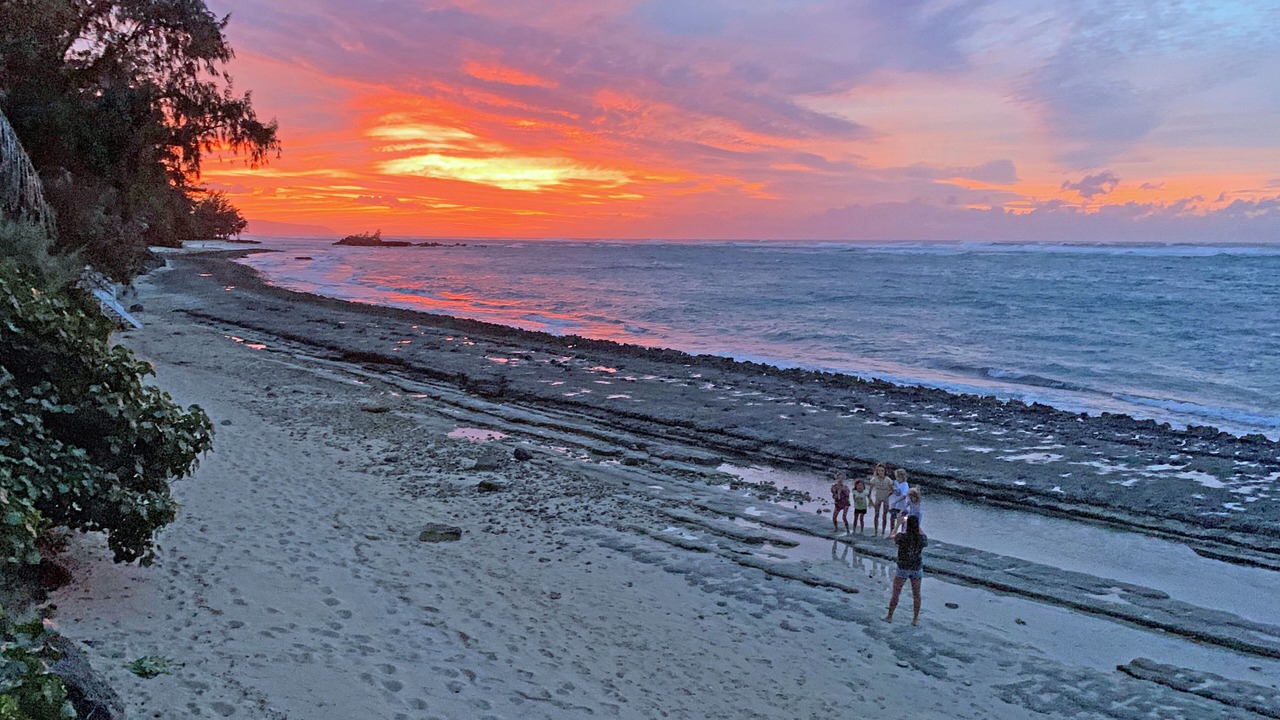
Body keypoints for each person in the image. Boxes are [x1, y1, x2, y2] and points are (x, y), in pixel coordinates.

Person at [886, 515, 927, 626]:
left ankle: (890, 616)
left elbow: (892, 536)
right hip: (916, 568)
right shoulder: (921, 538)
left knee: (896, 593)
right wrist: (917, 526)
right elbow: (924, 536)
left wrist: (898, 524)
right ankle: (915, 619)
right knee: (916, 594)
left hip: (903, 567)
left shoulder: (902, 537)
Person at [868, 464, 893, 536]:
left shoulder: (888, 480)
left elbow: (892, 490)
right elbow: (869, 491)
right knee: (876, 514)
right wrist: (870, 500)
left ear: (885, 471)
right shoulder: (874, 479)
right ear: (877, 471)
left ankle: (883, 532)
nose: (881, 472)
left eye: (882, 470)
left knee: (884, 515)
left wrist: (888, 494)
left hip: (885, 498)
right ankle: (875, 531)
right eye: (879, 471)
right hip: (878, 497)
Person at [887, 468, 911, 533]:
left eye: (898, 477)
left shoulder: (905, 485)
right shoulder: (896, 483)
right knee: (892, 519)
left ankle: (902, 532)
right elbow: (892, 490)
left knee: (901, 520)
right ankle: (892, 532)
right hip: (894, 506)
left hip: (901, 506)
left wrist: (896, 501)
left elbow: (904, 495)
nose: (897, 478)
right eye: (896, 477)